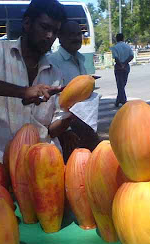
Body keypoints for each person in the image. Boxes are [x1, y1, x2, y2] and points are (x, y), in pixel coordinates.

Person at [0, 0, 76, 163]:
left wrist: (72, 115)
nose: (50, 36)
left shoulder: (55, 73)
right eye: (45, 27)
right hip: (3, 165)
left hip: (46, 167)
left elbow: (51, 130)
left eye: (55, 31)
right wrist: (23, 92)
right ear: (27, 23)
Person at [48, 21, 100, 162]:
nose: (77, 38)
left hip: (84, 124)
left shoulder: (80, 59)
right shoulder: (53, 62)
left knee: (93, 164)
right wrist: (66, 131)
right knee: (74, 171)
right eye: (71, 34)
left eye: (79, 34)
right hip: (66, 129)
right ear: (60, 37)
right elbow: (53, 103)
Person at [110, 33, 134, 107]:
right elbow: (131, 56)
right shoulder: (128, 46)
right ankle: (119, 100)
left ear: (116, 39)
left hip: (118, 67)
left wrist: (120, 65)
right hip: (126, 67)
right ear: (123, 38)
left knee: (120, 84)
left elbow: (116, 58)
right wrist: (124, 63)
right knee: (122, 84)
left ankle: (123, 101)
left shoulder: (114, 47)